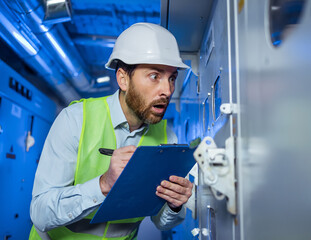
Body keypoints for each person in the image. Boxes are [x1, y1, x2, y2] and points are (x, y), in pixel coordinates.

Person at [29, 22, 193, 240]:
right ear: (123, 78)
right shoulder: (76, 119)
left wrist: (174, 205)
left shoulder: (167, 137)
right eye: (155, 76)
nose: (168, 90)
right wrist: (102, 185)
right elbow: (39, 213)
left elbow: (160, 222)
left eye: (172, 78)